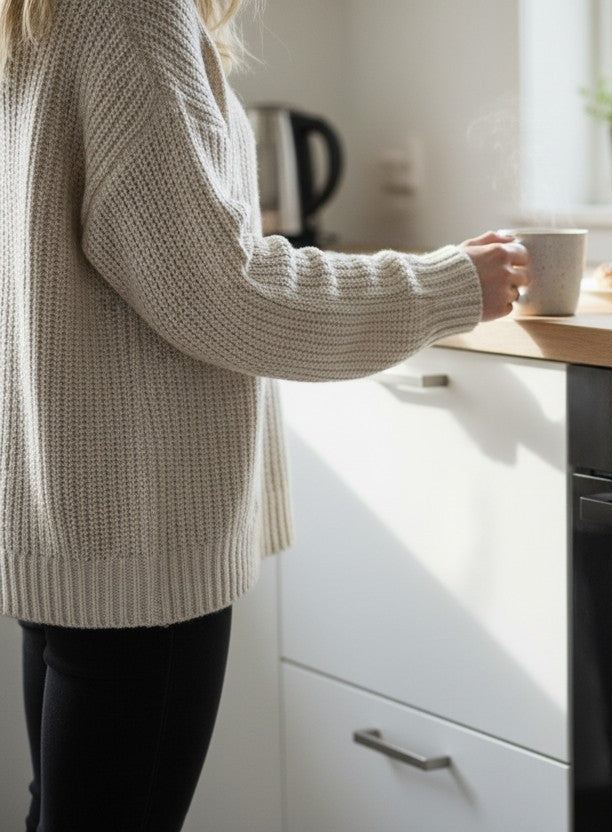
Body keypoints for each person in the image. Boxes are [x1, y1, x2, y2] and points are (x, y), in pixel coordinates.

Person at [0, 0, 531, 828]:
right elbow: (225, 292)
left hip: (63, 511)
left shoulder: (37, 16)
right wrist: (445, 282)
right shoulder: (131, 16)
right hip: (142, 527)